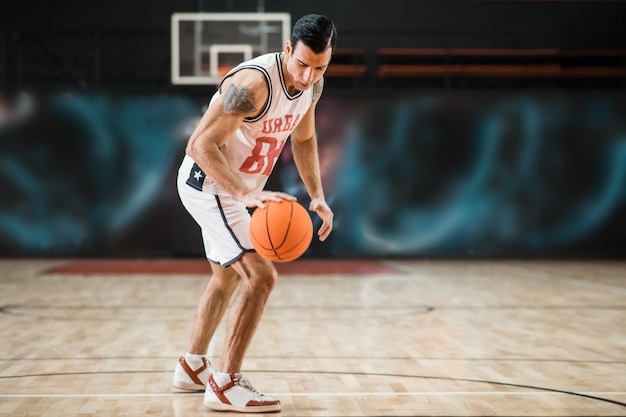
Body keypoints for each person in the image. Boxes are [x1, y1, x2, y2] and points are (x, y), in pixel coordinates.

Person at [171, 14, 337, 413]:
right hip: (209, 185)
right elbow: (199, 146)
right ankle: (226, 384)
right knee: (261, 276)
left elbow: (305, 137)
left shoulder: (311, 84)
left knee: (228, 277)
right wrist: (243, 194)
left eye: (320, 66)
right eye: (301, 64)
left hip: (241, 191)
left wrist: (317, 195)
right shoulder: (252, 85)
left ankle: (192, 368)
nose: (307, 75)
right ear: (286, 51)